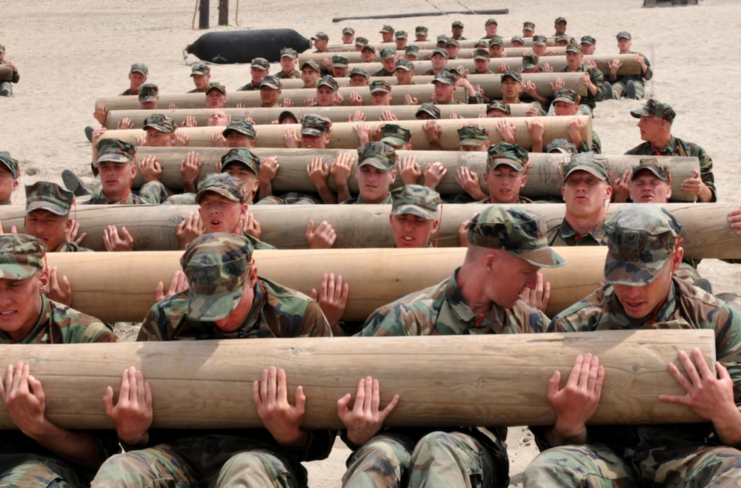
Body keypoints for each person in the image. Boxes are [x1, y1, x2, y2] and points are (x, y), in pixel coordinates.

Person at [91, 233, 335, 488]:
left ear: (252, 275)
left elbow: (324, 440)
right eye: (206, 305)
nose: (219, 320)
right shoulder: (167, 317)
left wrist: (292, 435)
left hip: (259, 454)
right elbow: (142, 427)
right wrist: (133, 435)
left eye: (228, 303)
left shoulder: (299, 315)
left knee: (246, 474)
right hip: (178, 453)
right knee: (118, 471)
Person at [344, 206, 565, 488]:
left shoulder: (528, 324)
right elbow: (346, 406)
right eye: (527, 271)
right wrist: (356, 432)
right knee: (377, 456)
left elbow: (552, 430)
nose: (536, 282)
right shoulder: (407, 319)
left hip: (472, 451)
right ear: (490, 263)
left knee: (438, 448)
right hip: (396, 440)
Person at [524, 204, 741, 488]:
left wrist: (724, 413)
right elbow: (554, 445)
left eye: (644, 277)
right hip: (606, 459)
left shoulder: (717, 321)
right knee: (545, 471)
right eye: (621, 276)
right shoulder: (573, 327)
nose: (631, 292)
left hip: (689, 456)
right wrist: (569, 425)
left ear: (676, 259)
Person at [0, 234, 119, 487]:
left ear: (42, 279)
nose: (2, 300)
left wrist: (37, 427)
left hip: (43, 466)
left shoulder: (86, 337)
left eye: (14, 285)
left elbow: (100, 458)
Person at [625, 99, 716, 202]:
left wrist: (701, 189)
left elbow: (710, 199)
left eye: (646, 120)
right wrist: (621, 194)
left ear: (663, 124)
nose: (639, 124)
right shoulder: (632, 156)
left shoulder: (693, 153)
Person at [548, 152, 613, 246]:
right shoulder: (543, 245)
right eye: (573, 181)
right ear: (564, 193)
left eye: (590, 181)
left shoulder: (622, 245)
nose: (580, 187)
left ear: (607, 192)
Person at [84, 138, 168, 208]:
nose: (110, 173)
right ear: (99, 172)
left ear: (133, 172)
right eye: (104, 167)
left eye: (117, 166)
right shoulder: (83, 212)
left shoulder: (146, 209)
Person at [456, 142, 534, 206]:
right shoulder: (470, 213)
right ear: (486, 178)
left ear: (523, 181)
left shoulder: (538, 212)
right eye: (498, 174)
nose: (505, 182)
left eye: (512, 175)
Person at [23, 181, 89, 253]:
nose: (39, 230)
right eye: (34, 220)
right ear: (25, 223)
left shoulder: (86, 259)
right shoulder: (15, 258)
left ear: (67, 226)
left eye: (49, 220)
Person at [548, 88, 602, 153]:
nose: (560, 109)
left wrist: (576, 137)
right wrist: (537, 140)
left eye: (566, 106)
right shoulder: (547, 127)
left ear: (576, 109)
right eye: (558, 105)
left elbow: (593, 158)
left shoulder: (589, 134)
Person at [604, 31, 653, 100]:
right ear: (618, 44)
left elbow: (648, 76)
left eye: (625, 40)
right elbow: (612, 80)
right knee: (616, 87)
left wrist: (642, 64)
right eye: (621, 41)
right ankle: (612, 97)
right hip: (620, 82)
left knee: (637, 87)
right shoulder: (614, 59)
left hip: (635, 80)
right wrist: (613, 72)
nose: (623, 42)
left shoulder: (639, 56)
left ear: (630, 43)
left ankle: (634, 96)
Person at [561, 40, 604, 113]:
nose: (571, 58)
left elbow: (600, 96)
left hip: (584, 103)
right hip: (564, 104)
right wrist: (557, 91)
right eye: (569, 54)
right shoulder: (561, 73)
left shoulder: (592, 72)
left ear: (581, 56)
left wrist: (589, 84)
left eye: (574, 54)